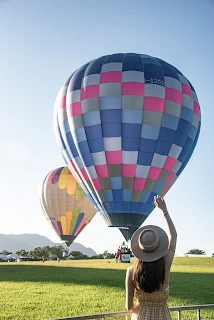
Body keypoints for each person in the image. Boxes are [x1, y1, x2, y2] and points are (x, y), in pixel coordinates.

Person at [125, 196, 177, 320]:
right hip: (163, 316)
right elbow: (174, 236)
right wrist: (164, 211)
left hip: (140, 316)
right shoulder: (165, 264)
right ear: (159, 246)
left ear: (138, 248)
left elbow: (129, 306)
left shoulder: (131, 271)